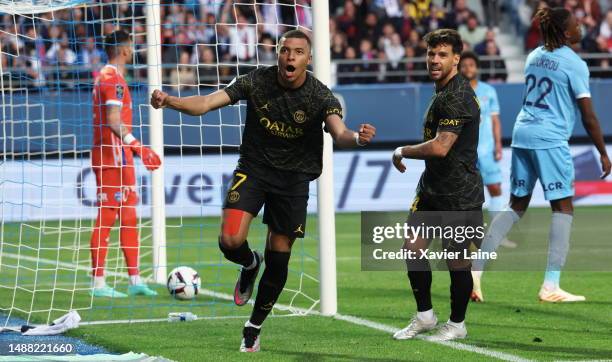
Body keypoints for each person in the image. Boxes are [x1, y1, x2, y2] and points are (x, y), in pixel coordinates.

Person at [150, 29, 375, 352]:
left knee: (279, 259)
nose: (290, 57)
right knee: (229, 240)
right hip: (254, 169)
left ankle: (253, 327)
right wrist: (170, 100)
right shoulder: (257, 81)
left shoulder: (320, 96)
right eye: (285, 51)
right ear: (279, 54)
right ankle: (249, 264)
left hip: (294, 180)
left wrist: (356, 139)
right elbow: (208, 102)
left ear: (308, 59)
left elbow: (338, 133)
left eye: (298, 52)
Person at [471, 7, 610, 302]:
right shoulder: (574, 64)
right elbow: (588, 115)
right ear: (564, 32)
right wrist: (602, 151)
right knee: (563, 207)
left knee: (516, 205)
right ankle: (551, 285)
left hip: (522, 134)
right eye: (575, 23)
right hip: (549, 138)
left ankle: (477, 268)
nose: (580, 26)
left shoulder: (534, 56)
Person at [391, 29, 483, 341]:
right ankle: (425, 316)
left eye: (442, 54)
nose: (434, 59)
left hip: (459, 195)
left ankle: (457, 324)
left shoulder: (457, 96)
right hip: (432, 189)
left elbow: (442, 146)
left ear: (457, 58)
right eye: (431, 53)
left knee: (456, 260)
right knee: (412, 248)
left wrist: (403, 150)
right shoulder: (442, 92)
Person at [90, 30, 161, 298]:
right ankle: (98, 283)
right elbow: (112, 119)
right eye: (131, 46)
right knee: (107, 216)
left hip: (121, 156)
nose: (133, 50)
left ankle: (134, 280)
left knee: (129, 217)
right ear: (124, 50)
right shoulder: (111, 78)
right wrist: (138, 146)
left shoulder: (111, 77)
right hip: (111, 155)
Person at [459, 51, 517, 265]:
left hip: (487, 150)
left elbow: (495, 121)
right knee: (468, 195)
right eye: (464, 65)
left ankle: (497, 236)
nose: (467, 69)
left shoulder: (489, 91)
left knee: (495, 190)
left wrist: (498, 144)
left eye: (471, 65)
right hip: (465, 153)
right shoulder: (455, 92)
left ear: (477, 67)